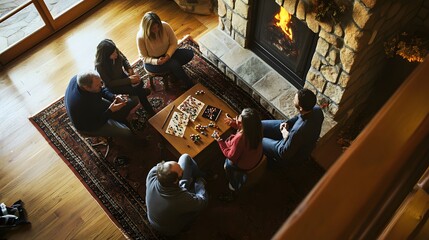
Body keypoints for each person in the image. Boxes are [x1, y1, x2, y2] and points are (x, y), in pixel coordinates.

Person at [145, 154, 208, 236]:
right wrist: (200, 183)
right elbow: (202, 202)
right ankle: (201, 178)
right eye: (181, 171)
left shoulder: (153, 173)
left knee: (185, 157)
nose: (182, 169)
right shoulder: (180, 199)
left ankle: (200, 174)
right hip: (169, 228)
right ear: (175, 181)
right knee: (202, 198)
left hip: (160, 212)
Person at [261, 88, 324, 166]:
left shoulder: (298, 131)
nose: (293, 100)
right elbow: (299, 116)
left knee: (259, 140)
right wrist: (288, 123)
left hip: (290, 152)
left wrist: (285, 135)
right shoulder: (317, 110)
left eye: (295, 100)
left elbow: (283, 153)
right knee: (260, 125)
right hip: (293, 136)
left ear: (300, 108)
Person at [64, 72, 135, 137]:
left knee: (127, 105)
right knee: (126, 132)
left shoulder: (78, 79)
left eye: (101, 82)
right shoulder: (84, 104)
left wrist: (113, 96)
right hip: (89, 125)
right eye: (97, 85)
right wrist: (110, 111)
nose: (101, 85)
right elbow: (96, 123)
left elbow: (102, 89)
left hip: (93, 108)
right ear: (86, 87)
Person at [95, 39, 155, 115]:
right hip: (115, 86)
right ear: (106, 56)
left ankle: (141, 92)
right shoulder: (100, 66)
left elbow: (124, 60)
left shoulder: (114, 50)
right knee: (140, 91)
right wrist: (129, 80)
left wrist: (129, 69)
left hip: (122, 77)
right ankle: (150, 111)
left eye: (116, 51)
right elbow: (109, 83)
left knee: (140, 82)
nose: (116, 54)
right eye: (113, 54)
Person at [136, 11, 194, 89]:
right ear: (147, 28)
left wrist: (168, 55)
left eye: (158, 27)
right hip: (153, 62)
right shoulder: (141, 37)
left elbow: (174, 43)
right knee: (174, 64)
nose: (156, 30)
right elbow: (143, 57)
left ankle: (174, 72)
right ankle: (189, 84)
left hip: (167, 54)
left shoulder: (165, 26)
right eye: (153, 28)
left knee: (189, 54)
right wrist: (156, 61)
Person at [213, 108, 263, 195]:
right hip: (258, 155)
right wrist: (234, 123)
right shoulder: (258, 127)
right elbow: (247, 129)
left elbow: (230, 156)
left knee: (227, 164)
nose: (237, 121)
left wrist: (220, 141)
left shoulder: (239, 138)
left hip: (246, 164)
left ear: (245, 125)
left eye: (239, 122)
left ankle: (234, 185)